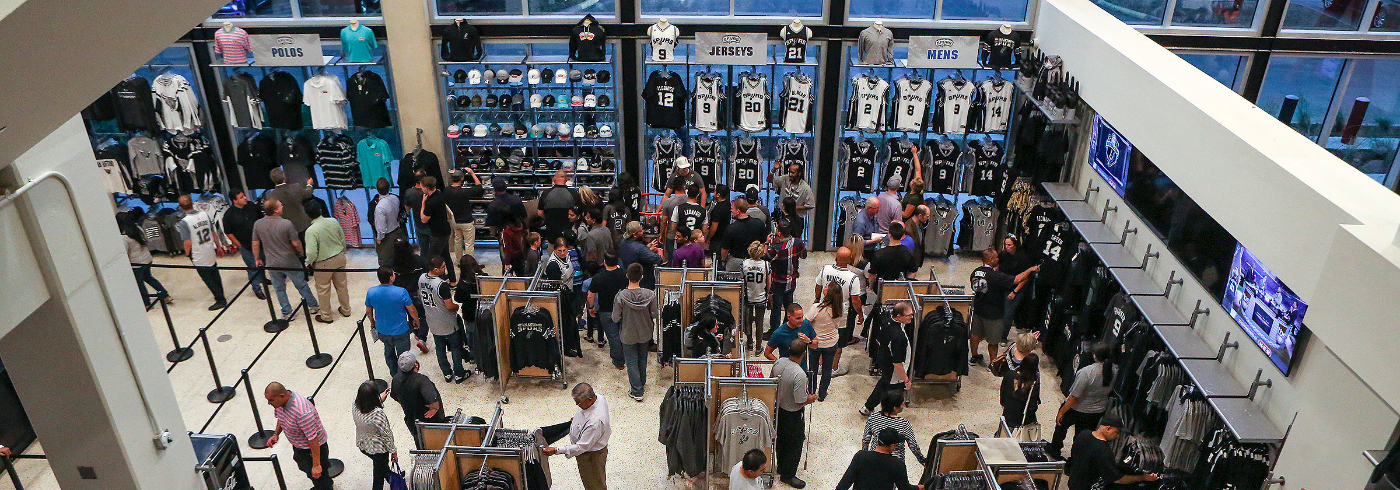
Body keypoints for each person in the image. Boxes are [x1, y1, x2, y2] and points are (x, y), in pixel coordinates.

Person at [969, 248, 1038, 366]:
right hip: (993, 313)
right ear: (990, 260)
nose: (998, 259)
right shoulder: (996, 276)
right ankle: (992, 364)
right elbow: (1017, 279)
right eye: (996, 257)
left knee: (975, 334)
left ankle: (974, 356)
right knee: (993, 341)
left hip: (978, 309)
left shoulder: (975, 272)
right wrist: (1030, 269)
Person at [253, 198, 319, 319]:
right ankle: (313, 305)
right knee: (301, 284)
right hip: (290, 261)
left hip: (272, 263)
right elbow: (296, 243)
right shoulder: (286, 223)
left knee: (279, 289)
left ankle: (287, 312)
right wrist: (301, 253)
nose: (282, 206)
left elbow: (255, 243)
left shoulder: (258, 224)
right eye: (280, 205)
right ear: (276, 211)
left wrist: (257, 258)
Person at [1049, 343, 1115, 459]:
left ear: (1094, 356)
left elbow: (1073, 397)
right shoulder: (1114, 371)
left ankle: (1055, 449)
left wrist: (1061, 412)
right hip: (1096, 412)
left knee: (1061, 428)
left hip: (1077, 409)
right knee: (1081, 438)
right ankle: (1074, 461)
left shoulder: (1086, 372)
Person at [541, 383, 612, 490]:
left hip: (591, 456)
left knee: (594, 485)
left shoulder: (595, 422)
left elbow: (581, 447)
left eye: (578, 403)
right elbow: (585, 415)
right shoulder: (599, 399)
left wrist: (556, 450)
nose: (577, 405)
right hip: (588, 452)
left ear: (589, 399)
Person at [264, 382, 333, 490]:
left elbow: (313, 439)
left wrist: (316, 465)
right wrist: (276, 434)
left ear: (281, 396)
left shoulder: (302, 412)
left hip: (313, 449)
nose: (269, 403)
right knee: (310, 471)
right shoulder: (280, 404)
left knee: (319, 478)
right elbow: (281, 418)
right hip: (300, 446)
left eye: (271, 400)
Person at [771, 338, 817, 488]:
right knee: (794, 445)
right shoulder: (800, 374)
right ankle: (788, 475)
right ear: (804, 354)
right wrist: (811, 398)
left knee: (781, 440)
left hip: (778, 409)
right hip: (792, 414)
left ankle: (781, 466)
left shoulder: (779, 362)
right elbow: (800, 400)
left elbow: (771, 381)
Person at [1067, 415, 1158, 490]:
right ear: (1108, 428)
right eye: (1117, 432)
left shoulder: (1083, 434)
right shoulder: (1104, 451)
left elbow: (1074, 454)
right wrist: (1143, 477)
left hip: (1073, 482)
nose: (1118, 436)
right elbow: (1117, 479)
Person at [814, 247, 864, 374]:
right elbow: (855, 300)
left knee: (823, 337)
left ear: (836, 258)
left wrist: (817, 299)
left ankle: (820, 365)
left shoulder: (825, 269)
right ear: (850, 260)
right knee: (838, 342)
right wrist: (860, 314)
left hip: (824, 307)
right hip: (841, 312)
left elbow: (818, 285)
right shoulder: (853, 278)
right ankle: (833, 368)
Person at [420, 257, 470, 382]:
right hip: (446, 321)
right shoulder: (441, 285)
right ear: (436, 269)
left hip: (432, 320)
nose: (445, 269)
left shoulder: (421, 278)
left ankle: (447, 373)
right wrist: (457, 306)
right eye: (443, 267)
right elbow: (449, 306)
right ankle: (459, 373)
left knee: (440, 348)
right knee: (455, 347)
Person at [613, 264, 658, 401]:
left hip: (627, 333)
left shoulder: (621, 296)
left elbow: (615, 317)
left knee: (631, 361)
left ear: (627, 276)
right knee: (643, 359)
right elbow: (655, 314)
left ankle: (637, 390)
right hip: (645, 332)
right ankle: (641, 384)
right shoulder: (650, 295)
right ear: (642, 277)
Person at [365, 267, 419, 377]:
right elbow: (412, 309)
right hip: (400, 331)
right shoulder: (401, 292)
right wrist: (416, 320)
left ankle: (394, 374)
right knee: (403, 354)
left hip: (382, 331)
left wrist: (372, 322)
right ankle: (404, 375)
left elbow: (368, 311)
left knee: (388, 352)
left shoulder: (371, 292)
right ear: (391, 278)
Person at [176, 195, 227, 310]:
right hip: (209, 248)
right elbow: (214, 233)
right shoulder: (204, 214)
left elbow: (187, 242)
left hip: (198, 254)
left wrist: (187, 253)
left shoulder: (184, 222)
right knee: (215, 273)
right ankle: (221, 294)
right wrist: (219, 246)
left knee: (207, 278)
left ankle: (220, 299)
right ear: (192, 203)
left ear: (181, 207)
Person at [862, 302, 913, 416]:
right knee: (892, 394)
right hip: (894, 371)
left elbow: (879, 340)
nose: (911, 317)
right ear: (899, 316)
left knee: (883, 385)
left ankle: (868, 407)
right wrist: (906, 380)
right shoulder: (899, 337)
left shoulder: (886, 322)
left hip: (885, 362)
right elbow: (897, 363)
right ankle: (888, 415)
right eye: (908, 315)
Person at [304, 200, 351, 323]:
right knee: (342, 285)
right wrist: (342, 252)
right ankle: (346, 309)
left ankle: (326, 316)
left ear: (307, 214)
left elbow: (311, 252)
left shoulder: (311, 230)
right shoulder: (333, 221)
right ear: (320, 210)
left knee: (323, 289)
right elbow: (342, 238)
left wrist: (308, 262)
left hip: (323, 263)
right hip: (339, 256)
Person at [835, 428, 922, 490]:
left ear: (878, 441)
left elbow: (845, 483)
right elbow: (904, 488)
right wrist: (919, 487)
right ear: (892, 446)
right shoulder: (898, 464)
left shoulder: (861, 456)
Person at [390, 351, 446, 448]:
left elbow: (395, 396)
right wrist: (434, 408)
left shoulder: (396, 379)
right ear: (415, 365)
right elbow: (432, 398)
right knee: (437, 444)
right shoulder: (422, 381)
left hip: (412, 419)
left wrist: (407, 404)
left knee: (420, 443)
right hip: (429, 421)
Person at [763, 219, 807, 336]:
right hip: (792, 280)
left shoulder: (777, 247)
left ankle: (774, 331)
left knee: (776, 307)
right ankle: (788, 328)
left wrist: (767, 243)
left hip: (778, 281)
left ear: (779, 232)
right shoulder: (798, 243)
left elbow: (765, 257)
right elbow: (804, 255)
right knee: (789, 305)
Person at [222, 189, 267, 300]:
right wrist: (239, 245)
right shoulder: (229, 215)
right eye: (241, 197)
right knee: (252, 267)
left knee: (262, 262)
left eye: (244, 196)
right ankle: (257, 288)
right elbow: (228, 232)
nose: (245, 198)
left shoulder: (251, 206)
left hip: (259, 242)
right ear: (234, 200)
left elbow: (261, 218)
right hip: (246, 246)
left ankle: (263, 278)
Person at [352, 380, 397, 490]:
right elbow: (386, 434)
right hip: (378, 449)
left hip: (363, 444)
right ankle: (391, 479)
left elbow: (366, 405)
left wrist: (380, 399)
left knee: (381, 467)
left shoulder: (355, 406)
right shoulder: (377, 414)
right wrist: (393, 451)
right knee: (378, 475)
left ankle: (390, 476)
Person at [121, 212, 171, 306]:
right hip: (147, 259)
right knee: (149, 278)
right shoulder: (138, 229)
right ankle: (165, 295)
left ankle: (146, 303)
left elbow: (125, 253)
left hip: (136, 264)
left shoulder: (124, 237)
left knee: (140, 284)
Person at [545, 237, 584, 357]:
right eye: (559, 250)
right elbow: (555, 285)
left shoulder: (567, 256)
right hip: (562, 298)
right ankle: (565, 348)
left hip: (569, 292)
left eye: (564, 250)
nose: (562, 253)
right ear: (554, 250)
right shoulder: (553, 265)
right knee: (565, 324)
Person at [862, 390, 925, 463]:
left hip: (875, 458)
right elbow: (913, 446)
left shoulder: (873, 417)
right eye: (902, 404)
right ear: (895, 408)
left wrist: (865, 456)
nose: (903, 405)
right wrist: (922, 459)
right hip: (896, 462)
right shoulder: (904, 424)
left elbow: (866, 440)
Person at [588, 254, 628, 369]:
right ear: (617, 262)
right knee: (623, 334)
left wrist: (591, 308)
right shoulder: (625, 274)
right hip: (623, 309)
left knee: (613, 337)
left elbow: (590, 295)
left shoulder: (598, 277)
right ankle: (627, 357)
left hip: (606, 311)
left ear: (604, 262)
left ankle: (619, 361)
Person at [391, 238, 431, 353]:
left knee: (410, 314)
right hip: (417, 293)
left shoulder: (392, 264)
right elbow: (427, 272)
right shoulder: (418, 261)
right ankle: (422, 337)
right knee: (422, 316)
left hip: (401, 295)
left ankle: (415, 332)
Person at [805, 284, 843, 401]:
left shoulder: (817, 308)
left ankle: (811, 391)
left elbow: (806, 322)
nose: (824, 287)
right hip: (831, 342)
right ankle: (822, 393)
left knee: (813, 368)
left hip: (815, 343)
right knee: (827, 369)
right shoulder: (841, 307)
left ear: (828, 292)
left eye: (826, 286)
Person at [485, 177, 527, 274]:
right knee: (520, 261)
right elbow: (524, 217)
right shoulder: (516, 200)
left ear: (494, 189)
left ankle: (507, 284)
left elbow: (491, 226)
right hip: (519, 233)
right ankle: (523, 282)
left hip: (503, 235)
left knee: (506, 261)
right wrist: (526, 230)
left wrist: (495, 235)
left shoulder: (492, 205)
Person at [418, 176, 456, 281]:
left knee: (432, 259)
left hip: (438, 233)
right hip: (444, 229)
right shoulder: (439, 193)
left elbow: (423, 219)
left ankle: (436, 279)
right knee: (446, 256)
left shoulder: (431, 202)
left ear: (426, 188)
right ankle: (452, 280)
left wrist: (423, 203)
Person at [444, 168, 484, 265]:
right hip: (466, 220)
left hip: (454, 221)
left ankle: (459, 262)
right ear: (462, 179)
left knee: (457, 241)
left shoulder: (446, 190)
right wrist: (472, 174)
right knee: (469, 244)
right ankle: (469, 264)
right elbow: (479, 188)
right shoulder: (464, 192)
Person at [455, 254, 486, 372]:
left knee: (471, 336)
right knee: (483, 335)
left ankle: (473, 357)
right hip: (483, 312)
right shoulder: (483, 277)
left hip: (469, 313)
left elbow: (458, 299)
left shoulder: (462, 284)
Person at [721, 198, 769, 271]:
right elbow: (763, 244)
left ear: (738, 211)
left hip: (735, 264)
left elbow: (724, 250)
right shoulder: (759, 224)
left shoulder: (730, 229)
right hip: (755, 264)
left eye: (732, 208)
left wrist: (723, 261)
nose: (731, 210)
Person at [998, 236, 1032, 337]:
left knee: (1008, 314)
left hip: (1015, 288)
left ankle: (1003, 336)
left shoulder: (1023, 258)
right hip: (1003, 285)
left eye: (1009, 245)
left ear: (1015, 245)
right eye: (1005, 244)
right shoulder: (1003, 254)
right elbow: (998, 267)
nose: (1007, 247)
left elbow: (1025, 278)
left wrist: (1015, 292)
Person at [263, 167, 314, 233]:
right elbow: (307, 194)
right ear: (285, 177)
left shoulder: (270, 196)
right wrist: (309, 185)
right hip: (303, 225)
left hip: (285, 230)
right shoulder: (296, 187)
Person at [741, 242, 771, 350]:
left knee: (748, 321)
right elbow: (769, 283)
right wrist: (767, 295)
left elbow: (742, 281)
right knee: (760, 322)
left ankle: (749, 343)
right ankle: (758, 346)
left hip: (748, 297)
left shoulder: (744, 263)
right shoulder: (766, 265)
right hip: (761, 297)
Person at [617, 221, 663, 289]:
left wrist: (647, 249)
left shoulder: (623, 243)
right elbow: (659, 260)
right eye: (641, 231)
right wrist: (659, 250)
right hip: (642, 283)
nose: (643, 232)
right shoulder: (640, 249)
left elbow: (635, 254)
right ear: (635, 234)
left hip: (628, 280)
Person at [371, 177, 405, 268]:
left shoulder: (380, 207)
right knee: (398, 258)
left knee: (385, 262)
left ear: (377, 189)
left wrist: (379, 239)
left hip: (387, 237)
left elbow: (381, 227)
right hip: (397, 231)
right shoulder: (395, 198)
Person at [539, 169, 581, 242]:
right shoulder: (574, 194)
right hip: (569, 234)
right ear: (566, 180)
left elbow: (540, 213)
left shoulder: (546, 193)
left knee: (552, 252)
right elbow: (578, 214)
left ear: (554, 179)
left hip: (551, 233)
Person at [770, 162, 815, 230]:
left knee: (795, 239)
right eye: (789, 172)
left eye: (793, 172)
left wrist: (793, 208)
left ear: (799, 173)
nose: (790, 174)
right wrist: (774, 169)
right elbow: (769, 180)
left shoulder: (805, 187)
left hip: (796, 219)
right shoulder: (785, 179)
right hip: (783, 216)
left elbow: (811, 205)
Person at [1002, 352, 1041, 430]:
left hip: (1008, 415)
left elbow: (1003, 394)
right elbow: (1032, 407)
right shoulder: (1033, 384)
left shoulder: (1009, 375)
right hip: (1024, 421)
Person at [705, 184, 732, 259]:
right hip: (725, 237)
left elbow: (714, 227)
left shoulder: (717, 209)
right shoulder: (728, 205)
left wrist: (708, 237)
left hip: (717, 240)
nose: (713, 193)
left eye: (715, 191)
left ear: (718, 195)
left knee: (716, 261)